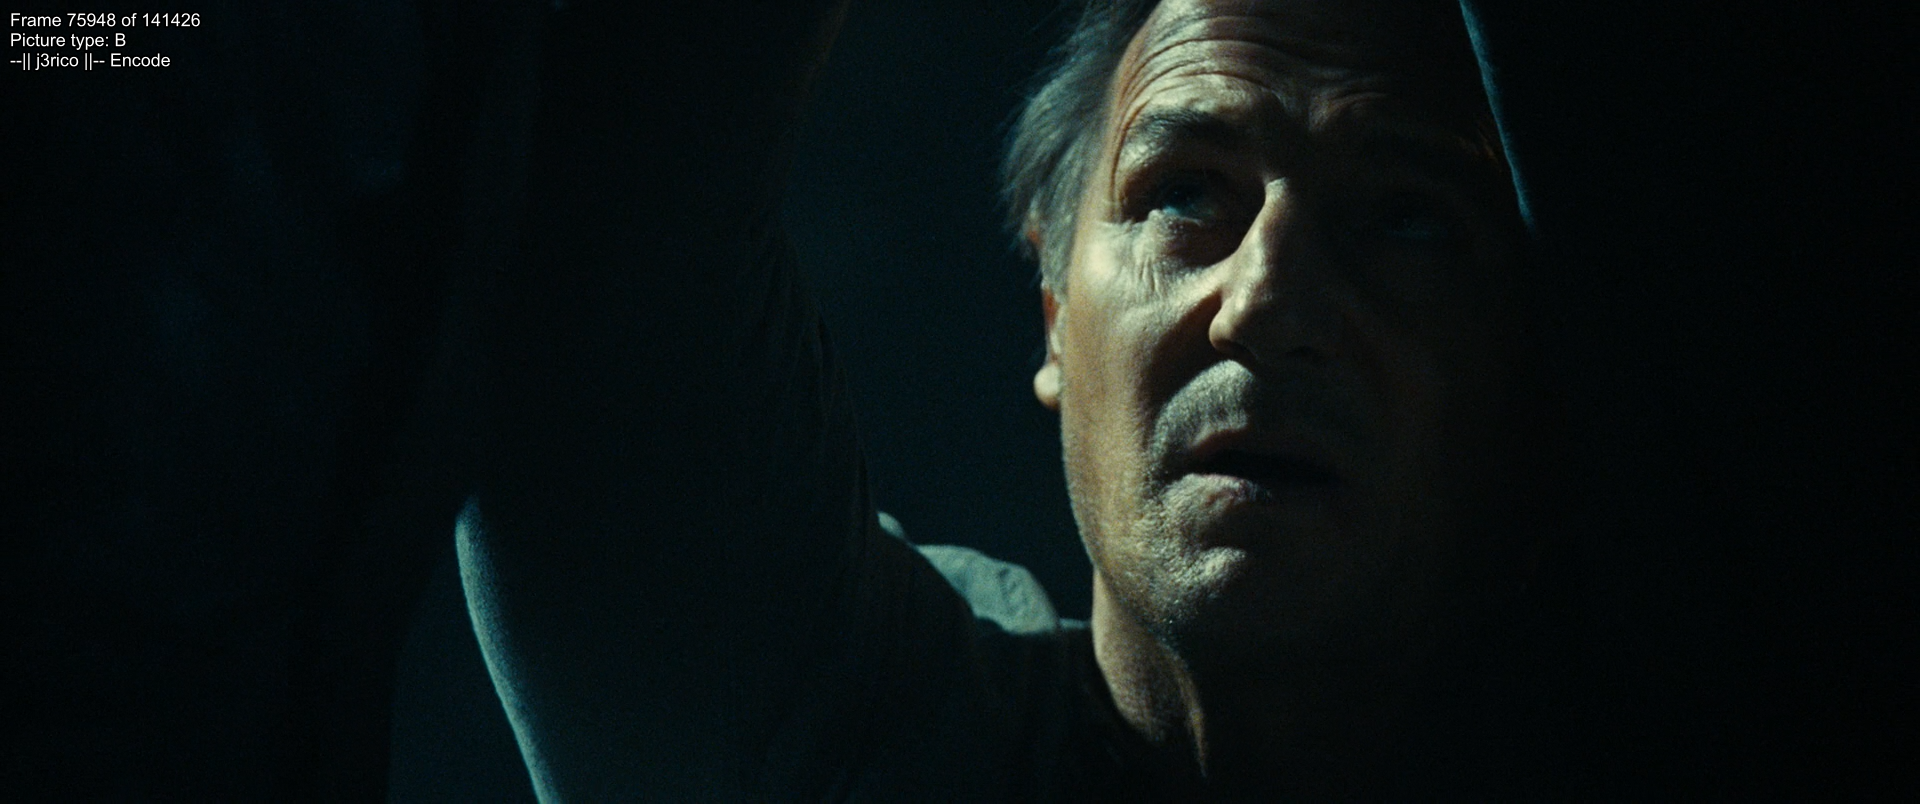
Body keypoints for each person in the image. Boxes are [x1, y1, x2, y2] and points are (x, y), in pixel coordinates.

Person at [457, 0, 1581, 798]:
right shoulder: (837, 733)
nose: (1268, 302)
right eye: (1186, 194)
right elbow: (613, 231)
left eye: (1407, 219)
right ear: (1054, 313)